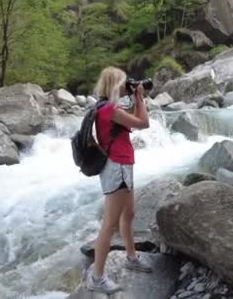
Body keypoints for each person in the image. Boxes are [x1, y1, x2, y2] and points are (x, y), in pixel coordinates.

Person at [86, 66, 151, 294]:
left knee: (128, 214)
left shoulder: (107, 108)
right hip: (117, 168)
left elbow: (132, 119)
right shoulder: (109, 110)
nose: (127, 87)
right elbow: (143, 123)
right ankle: (97, 277)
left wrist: (136, 99)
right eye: (123, 84)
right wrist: (140, 97)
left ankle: (131, 257)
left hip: (123, 165)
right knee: (109, 225)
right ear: (115, 85)